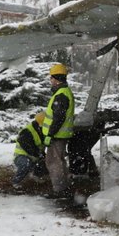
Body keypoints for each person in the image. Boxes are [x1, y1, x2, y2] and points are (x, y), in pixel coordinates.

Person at [41, 62, 75, 198]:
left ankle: (60, 190)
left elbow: (58, 118)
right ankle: (64, 187)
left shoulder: (60, 95)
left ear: (56, 79)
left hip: (57, 135)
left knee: (54, 162)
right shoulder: (64, 92)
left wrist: (50, 134)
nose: (50, 80)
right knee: (59, 161)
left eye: (51, 78)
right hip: (61, 135)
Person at [12, 112, 46, 188]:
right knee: (26, 164)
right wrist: (38, 154)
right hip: (21, 156)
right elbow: (27, 146)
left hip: (35, 156)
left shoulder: (42, 130)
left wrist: (42, 156)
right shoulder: (27, 131)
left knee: (49, 162)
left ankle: (35, 175)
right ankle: (16, 181)